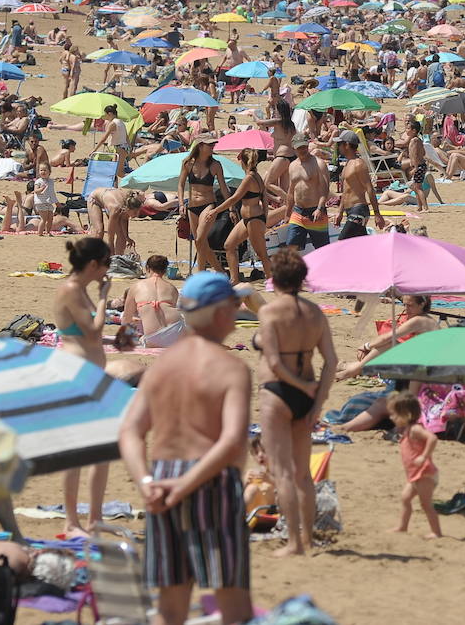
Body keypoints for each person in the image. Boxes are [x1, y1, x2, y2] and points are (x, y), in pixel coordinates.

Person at [118, 270, 254, 625]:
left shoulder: (163, 366)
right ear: (223, 314)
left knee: (170, 607)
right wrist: (188, 483)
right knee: (232, 603)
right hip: (210, 479)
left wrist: (146, 482)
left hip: (162, 479)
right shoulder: (230, 369)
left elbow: (130, 432)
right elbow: (232, 441)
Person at [254, 249, 337, 557]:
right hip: (307, 396)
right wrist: (317, 400)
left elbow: (274, 363)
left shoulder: (270, 312)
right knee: (304, 474)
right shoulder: (315, 313)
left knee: (283, 472)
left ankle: (293, 542)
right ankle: (311, 539)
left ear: (275, 279)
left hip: (277, 392)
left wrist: (301, 385)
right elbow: (331, 361)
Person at [55, 237, 113, 537]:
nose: (107, 271)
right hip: (76, 374)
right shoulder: (70, 290)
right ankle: (71, 521)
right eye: (105, 264)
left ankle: (95, 518)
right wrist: (104, 298)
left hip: (90, 373)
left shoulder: (81, 290)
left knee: (101, 451)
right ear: (93, 264)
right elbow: (92, 332)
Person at [208, 148, 276, 284]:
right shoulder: (256, 176)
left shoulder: (250, 178)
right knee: (229, 245)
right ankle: (234, 280)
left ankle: (272, 281)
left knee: (261, 254)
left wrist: (216, 211)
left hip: (254, 219)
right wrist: (265, 217)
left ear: (243, 162)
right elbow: (264, 198)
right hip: (250, 219)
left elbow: (234, 198)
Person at [387, 390, 442, 539]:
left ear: (407, 414)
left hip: (425, 473)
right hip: (415, 475)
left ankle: (436, 532)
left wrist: (424, 456)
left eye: (395, 415)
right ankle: (402, 526)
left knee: (426, 504)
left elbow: (432, 438)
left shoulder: (415, 429)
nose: (392, 418)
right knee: (405, 498)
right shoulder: (407, 430)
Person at [178, 140, 232, 272]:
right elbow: (180, 184)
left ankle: (206, 272)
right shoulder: (188, 163)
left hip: (208, 204)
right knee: (200, 242)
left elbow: (223, 187)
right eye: (210, 145)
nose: (213, 147)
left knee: (200, 238)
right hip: (192, 206)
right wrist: (180, 204)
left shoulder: (215, 165)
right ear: (201, 146)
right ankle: (215, 272)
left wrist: (231, 207)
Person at [284, 133, 331, 251]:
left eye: (304, 146)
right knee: (291, 246)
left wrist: (320, 208)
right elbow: (291, 192)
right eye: (299, 147)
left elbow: (325, 188)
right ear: (294, 148)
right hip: (298, 212)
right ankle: (295, 269)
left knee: (322, 249)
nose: (303, 150)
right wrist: (287, 213)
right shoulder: (292, 166)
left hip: (315, 211)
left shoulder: (318, 164)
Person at [121, 254, 181, 346]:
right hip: (176, 332)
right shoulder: (172, 288)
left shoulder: (136, 287)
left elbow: (126, 317)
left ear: (147, 268)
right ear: (165, 270)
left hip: (153, 338)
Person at [336, 132, 385, 238]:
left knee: (342, 242)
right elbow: (345, 191)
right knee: (359, 246)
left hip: (358, 210)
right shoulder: (347, 164)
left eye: (340, 144)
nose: (338, 147)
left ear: (347, 145)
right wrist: (340, 212)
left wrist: (377, 214)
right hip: (350, 211)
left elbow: (370, 189)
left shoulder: (359, 164)